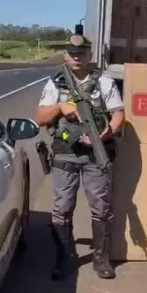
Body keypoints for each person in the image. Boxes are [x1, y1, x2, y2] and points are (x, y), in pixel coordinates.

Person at [35, 34, 125, 280]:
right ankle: (65, 258)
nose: (76, 58)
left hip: (96, 154)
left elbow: (118, 114)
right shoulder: (56, 83)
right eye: (72, 54)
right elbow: (41, 118)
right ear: (66, 55)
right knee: (62, 208)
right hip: (65, 153)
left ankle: (101, 260)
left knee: (101, 208)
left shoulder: (103, 82)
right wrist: (60, 107)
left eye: (81, 53)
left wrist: (107, 133)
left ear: (89, 56)